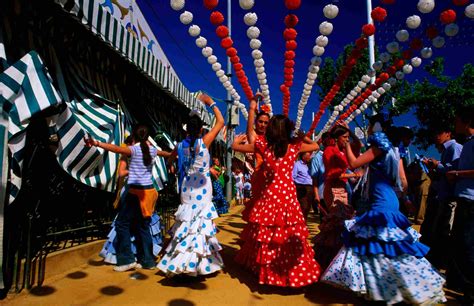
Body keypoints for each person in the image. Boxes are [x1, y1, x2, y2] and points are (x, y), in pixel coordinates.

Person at [322, 113, 445, 304]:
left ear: (375, 127)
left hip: (381, 201)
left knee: (376, 243)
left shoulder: (379, 145)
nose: (368, 130)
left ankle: (385, 288)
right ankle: (393, 286)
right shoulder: (396, 150)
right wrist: (404, 200)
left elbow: (354, 163)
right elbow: (403, 182)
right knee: (390, 245)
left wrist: (345, 144)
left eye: (370, 126)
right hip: (391, 200)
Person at [232, 115, 321, 287]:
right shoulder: (295, 147)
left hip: (270, 196)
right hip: (287, 196)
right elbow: (316, 145)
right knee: (288, 232)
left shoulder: (263, 146)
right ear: (287, 130)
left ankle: (268, 272)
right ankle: (290, 271)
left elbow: (235, 147)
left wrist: (236, 141)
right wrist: (302, 136)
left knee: (268, 235)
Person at [84, 125, 171, 271]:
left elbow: (116, 149)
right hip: (149, 192)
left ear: (135, 137)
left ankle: (126, 260)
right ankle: (148, 261)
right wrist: (178, 152)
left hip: (135, 193)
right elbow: (166, 154)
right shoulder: (152, 150)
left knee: (122, 224)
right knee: (143, 227)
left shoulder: (134, 149)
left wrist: (97, 143)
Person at [157, 94, 225, 276]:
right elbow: (221, 121)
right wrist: (211, 103)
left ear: (186, 129)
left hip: (186, 189)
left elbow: (170, 161)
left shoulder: (179, 146)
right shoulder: (204, 142)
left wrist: (172, 167)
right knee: (200, 226)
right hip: (202, 190)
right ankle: (197, 264)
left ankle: (178, 261)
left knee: (186, 224)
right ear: (201, 129)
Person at [100, 135, 163, 266]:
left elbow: (161, 153)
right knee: (129, 224)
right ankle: (138, 259)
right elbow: (121, 173)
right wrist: (134, 170)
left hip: (144, 190)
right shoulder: (127, 154)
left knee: (142, 224)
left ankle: (143, 258)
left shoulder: (146, 151)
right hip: (131, 190)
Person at [312, 124, 361, 270]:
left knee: (342, 223)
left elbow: (358, 145)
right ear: (336, 138)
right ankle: (327, 259)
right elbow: (332, 174)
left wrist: (350, 131)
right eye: (344, 137)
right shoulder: (329, 150)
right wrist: (353, 175)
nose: (347, 140)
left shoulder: (344, 150)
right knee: (336, 224)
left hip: (342, 188)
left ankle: (336, 259)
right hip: (333, 188)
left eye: (347, 137)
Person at [420, 127, 462, 268]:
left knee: (445, 231)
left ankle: (441, 261)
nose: (436, 136)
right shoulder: (446, 150)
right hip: (442, 195)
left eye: (439, 132)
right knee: (438, 229)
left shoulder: (454, 148)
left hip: (450, 196)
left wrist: (437, 165)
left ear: (448, 133)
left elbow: (453, 171)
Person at [446, 105, 474, 303]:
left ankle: (471, 291)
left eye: (457, 120)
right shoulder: (468, 144)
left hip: (471, 199)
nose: (454, 124)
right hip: (464, 197)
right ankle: (460, 284)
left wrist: (457, 174)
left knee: (467, 244)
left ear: (467, 122)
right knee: (458, 242)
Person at [309, 132, 330, 221]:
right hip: (324, 195)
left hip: (338, 194)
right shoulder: (317, 158)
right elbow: (315, 178)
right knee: (325, 222)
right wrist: (316, 195)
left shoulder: (336, 154)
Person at [293, 151, 315, 220]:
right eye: (309, 155)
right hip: (301, 187)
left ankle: (303, 223)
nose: (310, 157)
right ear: (303, 156)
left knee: (308, 207)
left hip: (310, 188)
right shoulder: (297, 164)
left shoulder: (310, 165)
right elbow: (293, 176)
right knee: (304, 207)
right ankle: (301, 223)